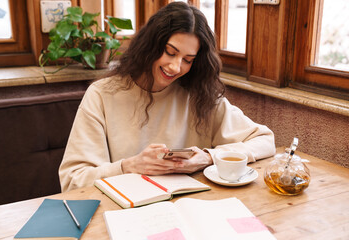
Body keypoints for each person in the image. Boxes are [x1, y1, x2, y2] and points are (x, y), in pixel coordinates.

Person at [59, 2, 276, 192]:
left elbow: (265, 140)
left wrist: (210, 157)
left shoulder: (198, 93)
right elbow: (72, 180)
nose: (175, 67)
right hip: (122, 215)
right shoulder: (101, 95)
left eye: (188, 60)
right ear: (150, 45)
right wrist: (128, 166)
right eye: (170, 52)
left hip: (189, 208)